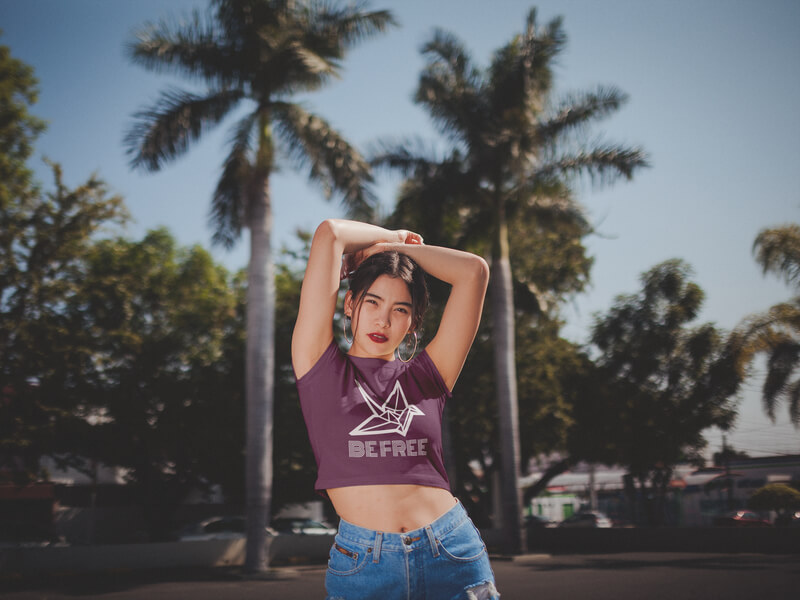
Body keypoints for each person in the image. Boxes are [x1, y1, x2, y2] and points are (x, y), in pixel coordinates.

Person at [292, 219, 500, 600]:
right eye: (372, 301)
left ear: (412, 322)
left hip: (451, 551)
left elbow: (473, 272)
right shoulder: (320, 370)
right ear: (351, 304)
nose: (383, 319)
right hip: (364, 568)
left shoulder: (429, 375)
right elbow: (329, 234)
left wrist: (400, 254)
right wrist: (392, 239)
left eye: (400, 309)